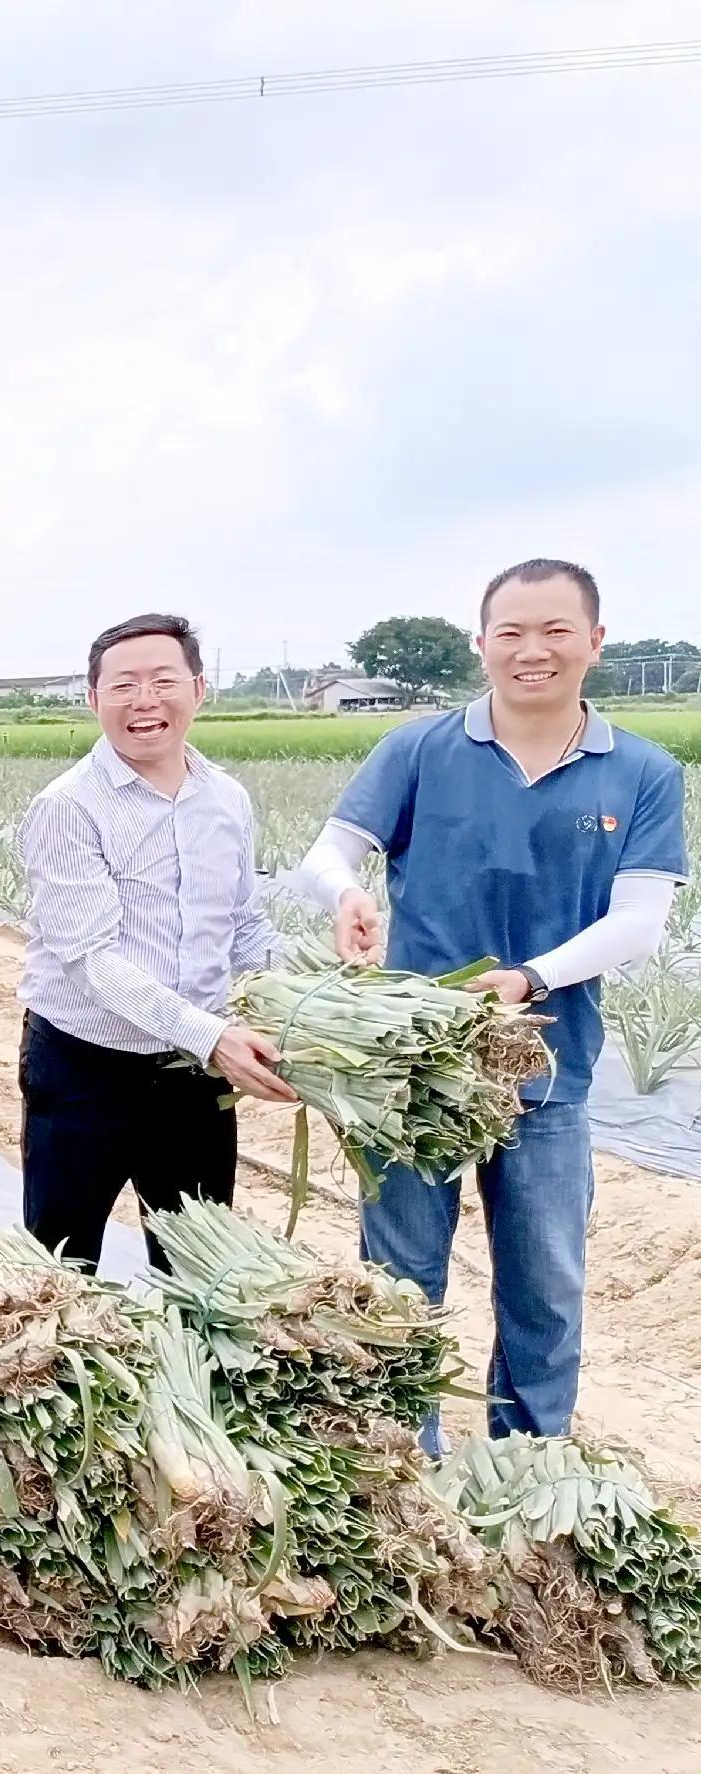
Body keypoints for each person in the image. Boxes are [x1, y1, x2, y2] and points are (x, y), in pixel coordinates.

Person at [300, 559, 687, 1444]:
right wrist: (346, 898)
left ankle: (526, 1463)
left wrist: (530, 977)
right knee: (399, 1281)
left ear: (595, 641)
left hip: (547, 1071)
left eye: (555, 631)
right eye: (510, 633)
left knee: (545, 1287)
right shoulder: (419, 748)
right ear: (482, 646)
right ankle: (407, 1457)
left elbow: (640, 921)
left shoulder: (642, 772)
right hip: (414, 1072)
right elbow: (332, 852)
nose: (532, 650)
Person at [15, 613, 297, 1272]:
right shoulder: (69, 807)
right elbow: (91, 964)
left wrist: (310, 997)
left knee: (199, 1273)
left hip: (193, 1073)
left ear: (198, 690)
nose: (145, 701)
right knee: (61, 1270)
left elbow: (244, 924)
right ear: (94, 701)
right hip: (86, 1067)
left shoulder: (226, 799)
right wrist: (213, 1035)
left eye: (163, 681)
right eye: (123, 686)